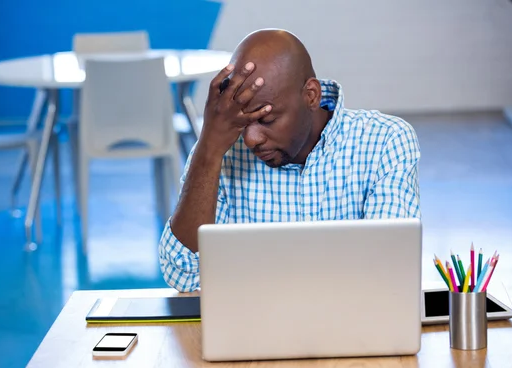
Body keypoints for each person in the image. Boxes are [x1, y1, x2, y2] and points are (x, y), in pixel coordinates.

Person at [159, 29, 420, 292]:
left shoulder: (385, 141)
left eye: (267, 120)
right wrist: (208, 150)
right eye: (243, 122)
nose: (251, 139)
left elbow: (389, 271)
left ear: (311, 95)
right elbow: (183, 275)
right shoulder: (220, 151)